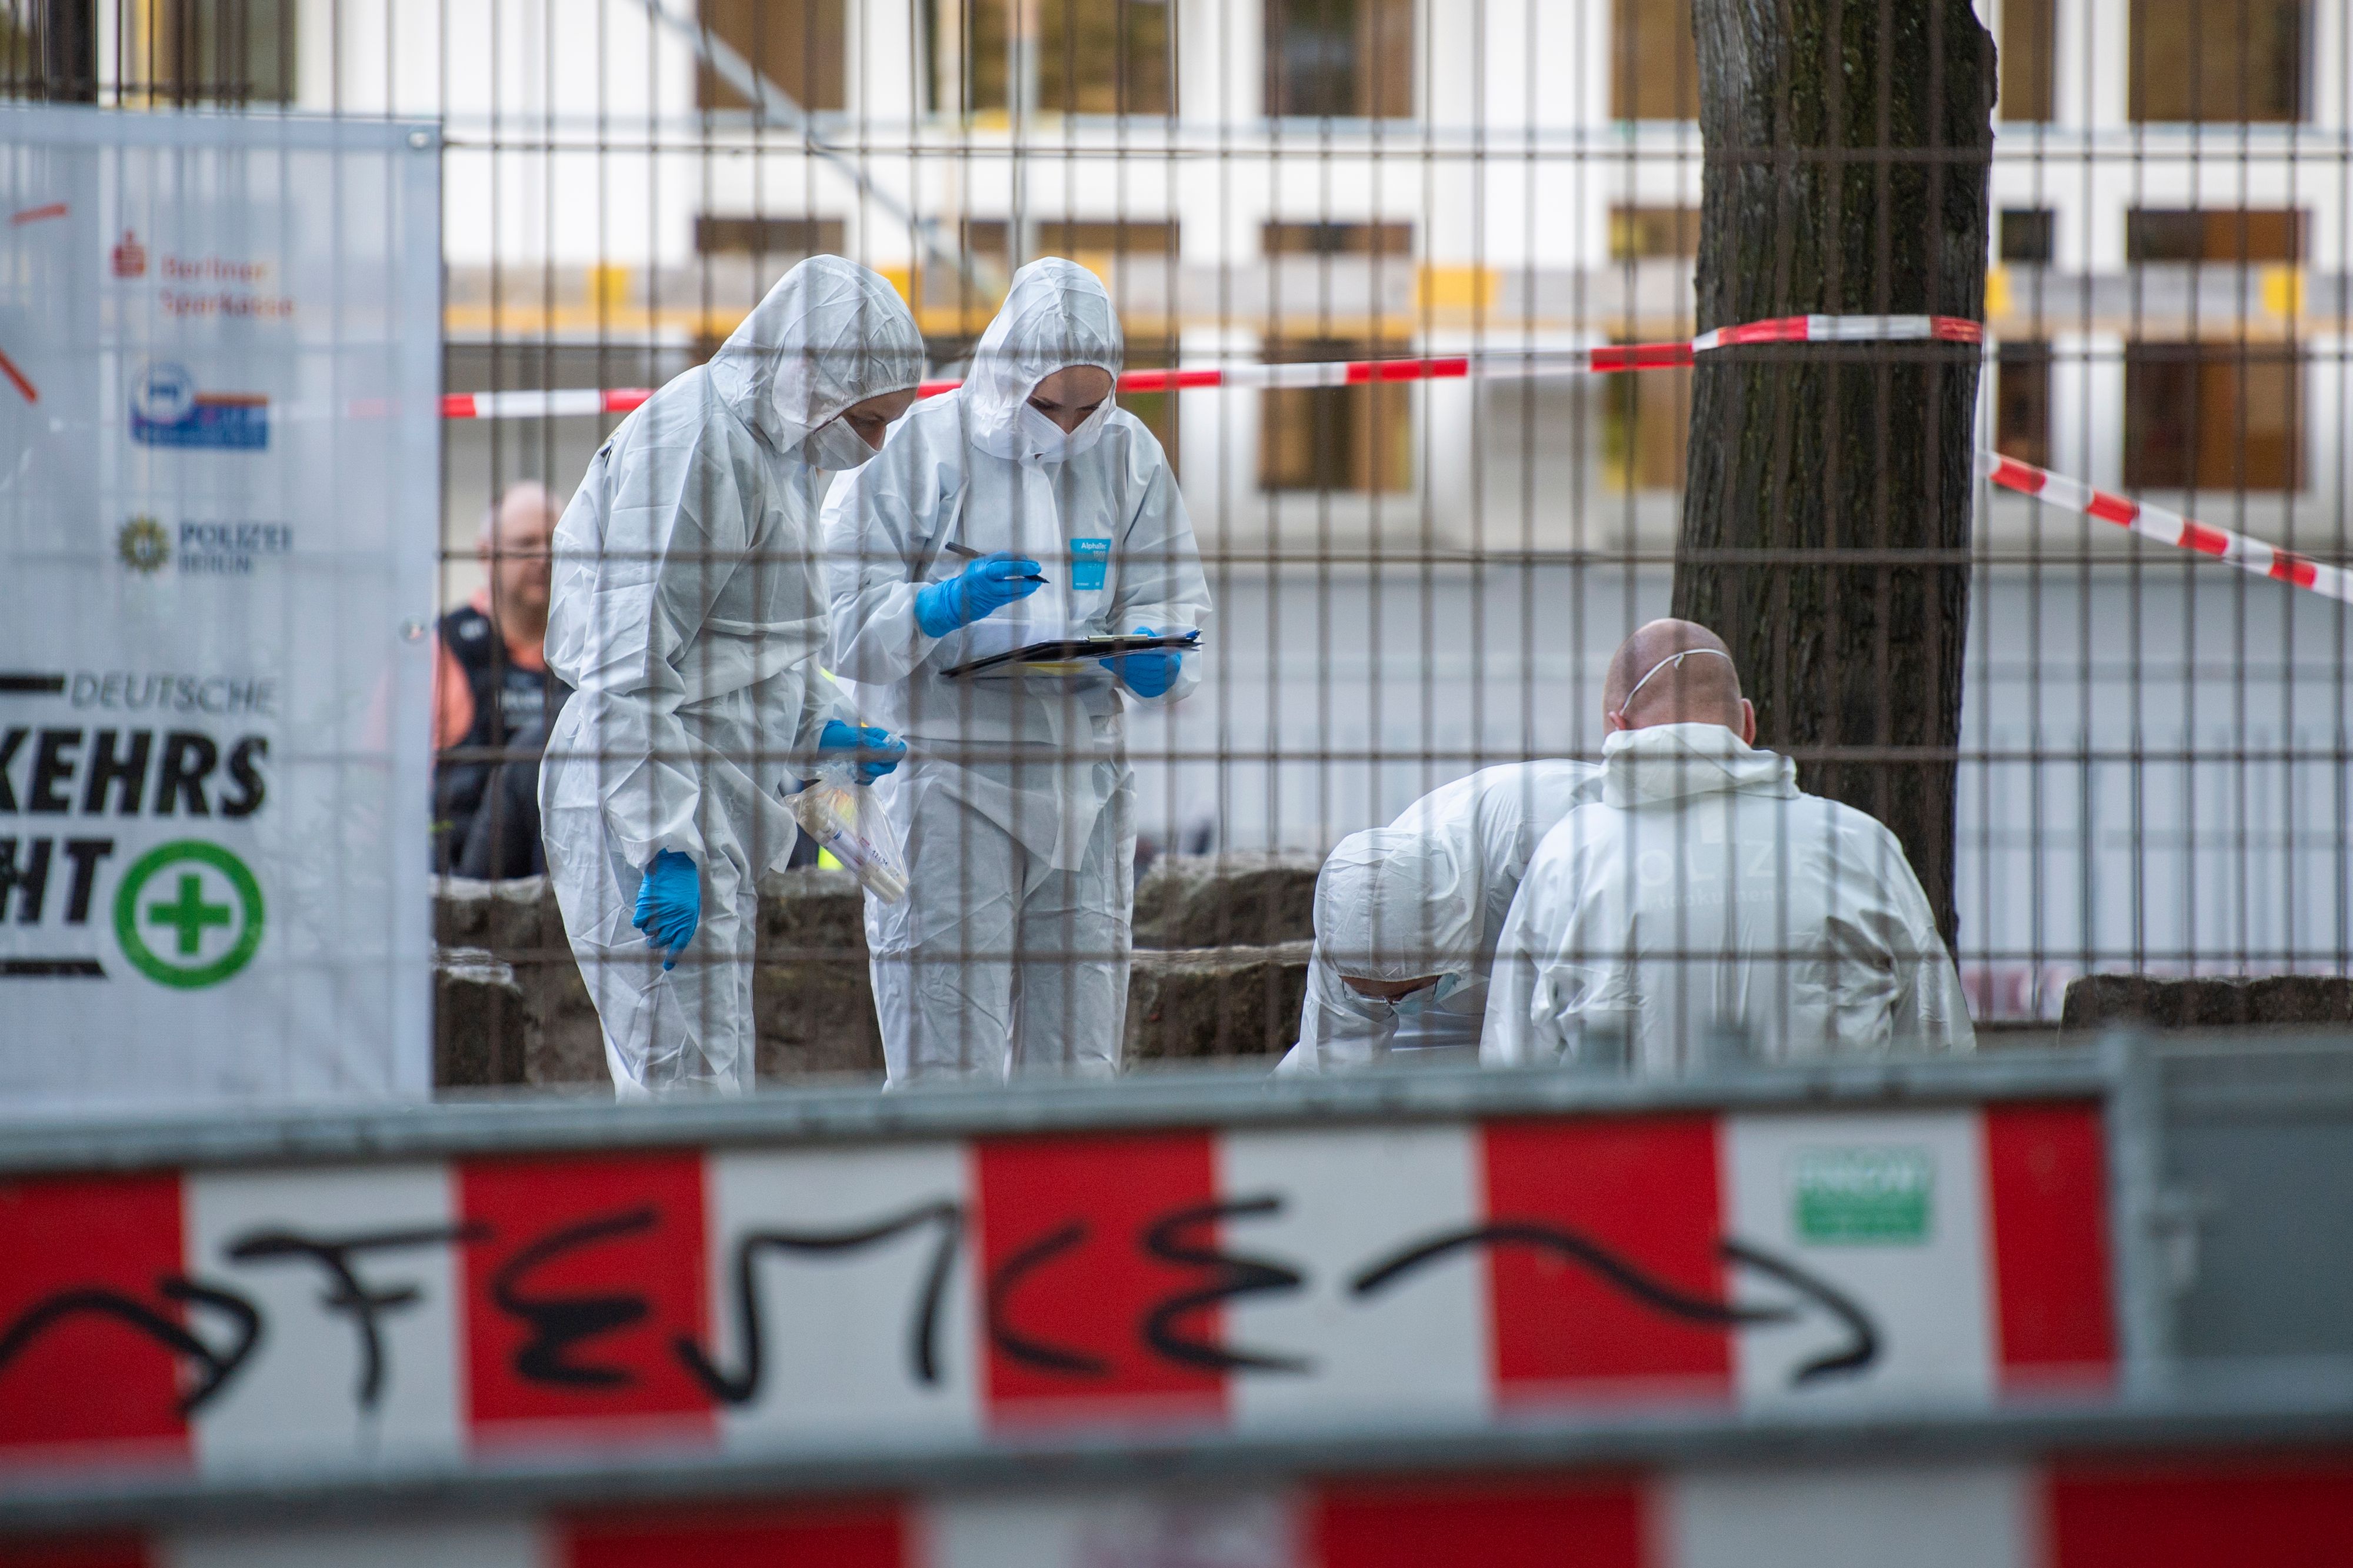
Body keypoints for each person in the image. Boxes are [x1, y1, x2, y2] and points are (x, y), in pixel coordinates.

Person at [822, 258, 1213, 1083]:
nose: (1067, 428)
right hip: (945, 785)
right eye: (1046, 405)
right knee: (943, 1057)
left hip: (1084, 787)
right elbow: (833, 614)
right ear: (1004, 373)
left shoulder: (1129, 456)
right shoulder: (920, 448)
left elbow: (1172, 595)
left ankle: (1064, 1208)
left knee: (1078, 1060)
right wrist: (936, 607)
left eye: (1087, 405)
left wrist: (1150, 649)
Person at [539, 256, 922, 1097]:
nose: (876, 444)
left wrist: (818, 720)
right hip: (644, 789)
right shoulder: (694, 443)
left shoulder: (783, 452)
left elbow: (750, 641)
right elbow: (626, 667)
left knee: (700, 1082)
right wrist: (663, 845)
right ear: (810, 373)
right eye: (868, 420)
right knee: (688, 1089)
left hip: (711, 791)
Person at [1482, 619, 1974, 1072]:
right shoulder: (1860, 846)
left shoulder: (1567, 856)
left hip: (1630, 1161)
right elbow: (1938, 1046)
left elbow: (1514, 1065)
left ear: (1619, 728)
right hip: (1821, 1162)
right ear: (1746, 722)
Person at [1277, 761, 1602, 1073]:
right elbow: (1333, 1055)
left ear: (1447, 937)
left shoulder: (1537, 855)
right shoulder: (1351, 908)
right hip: (1456, 1000)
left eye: (1403, 993)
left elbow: (1554, 1021)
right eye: (1369, 994)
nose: (1390, 1003)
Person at [432, 482, 570, 878]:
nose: (544, 557)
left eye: (555, 542)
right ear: (485, 555)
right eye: (526, 544)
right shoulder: (444, 650)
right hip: (467, 877)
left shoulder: (596, 649)